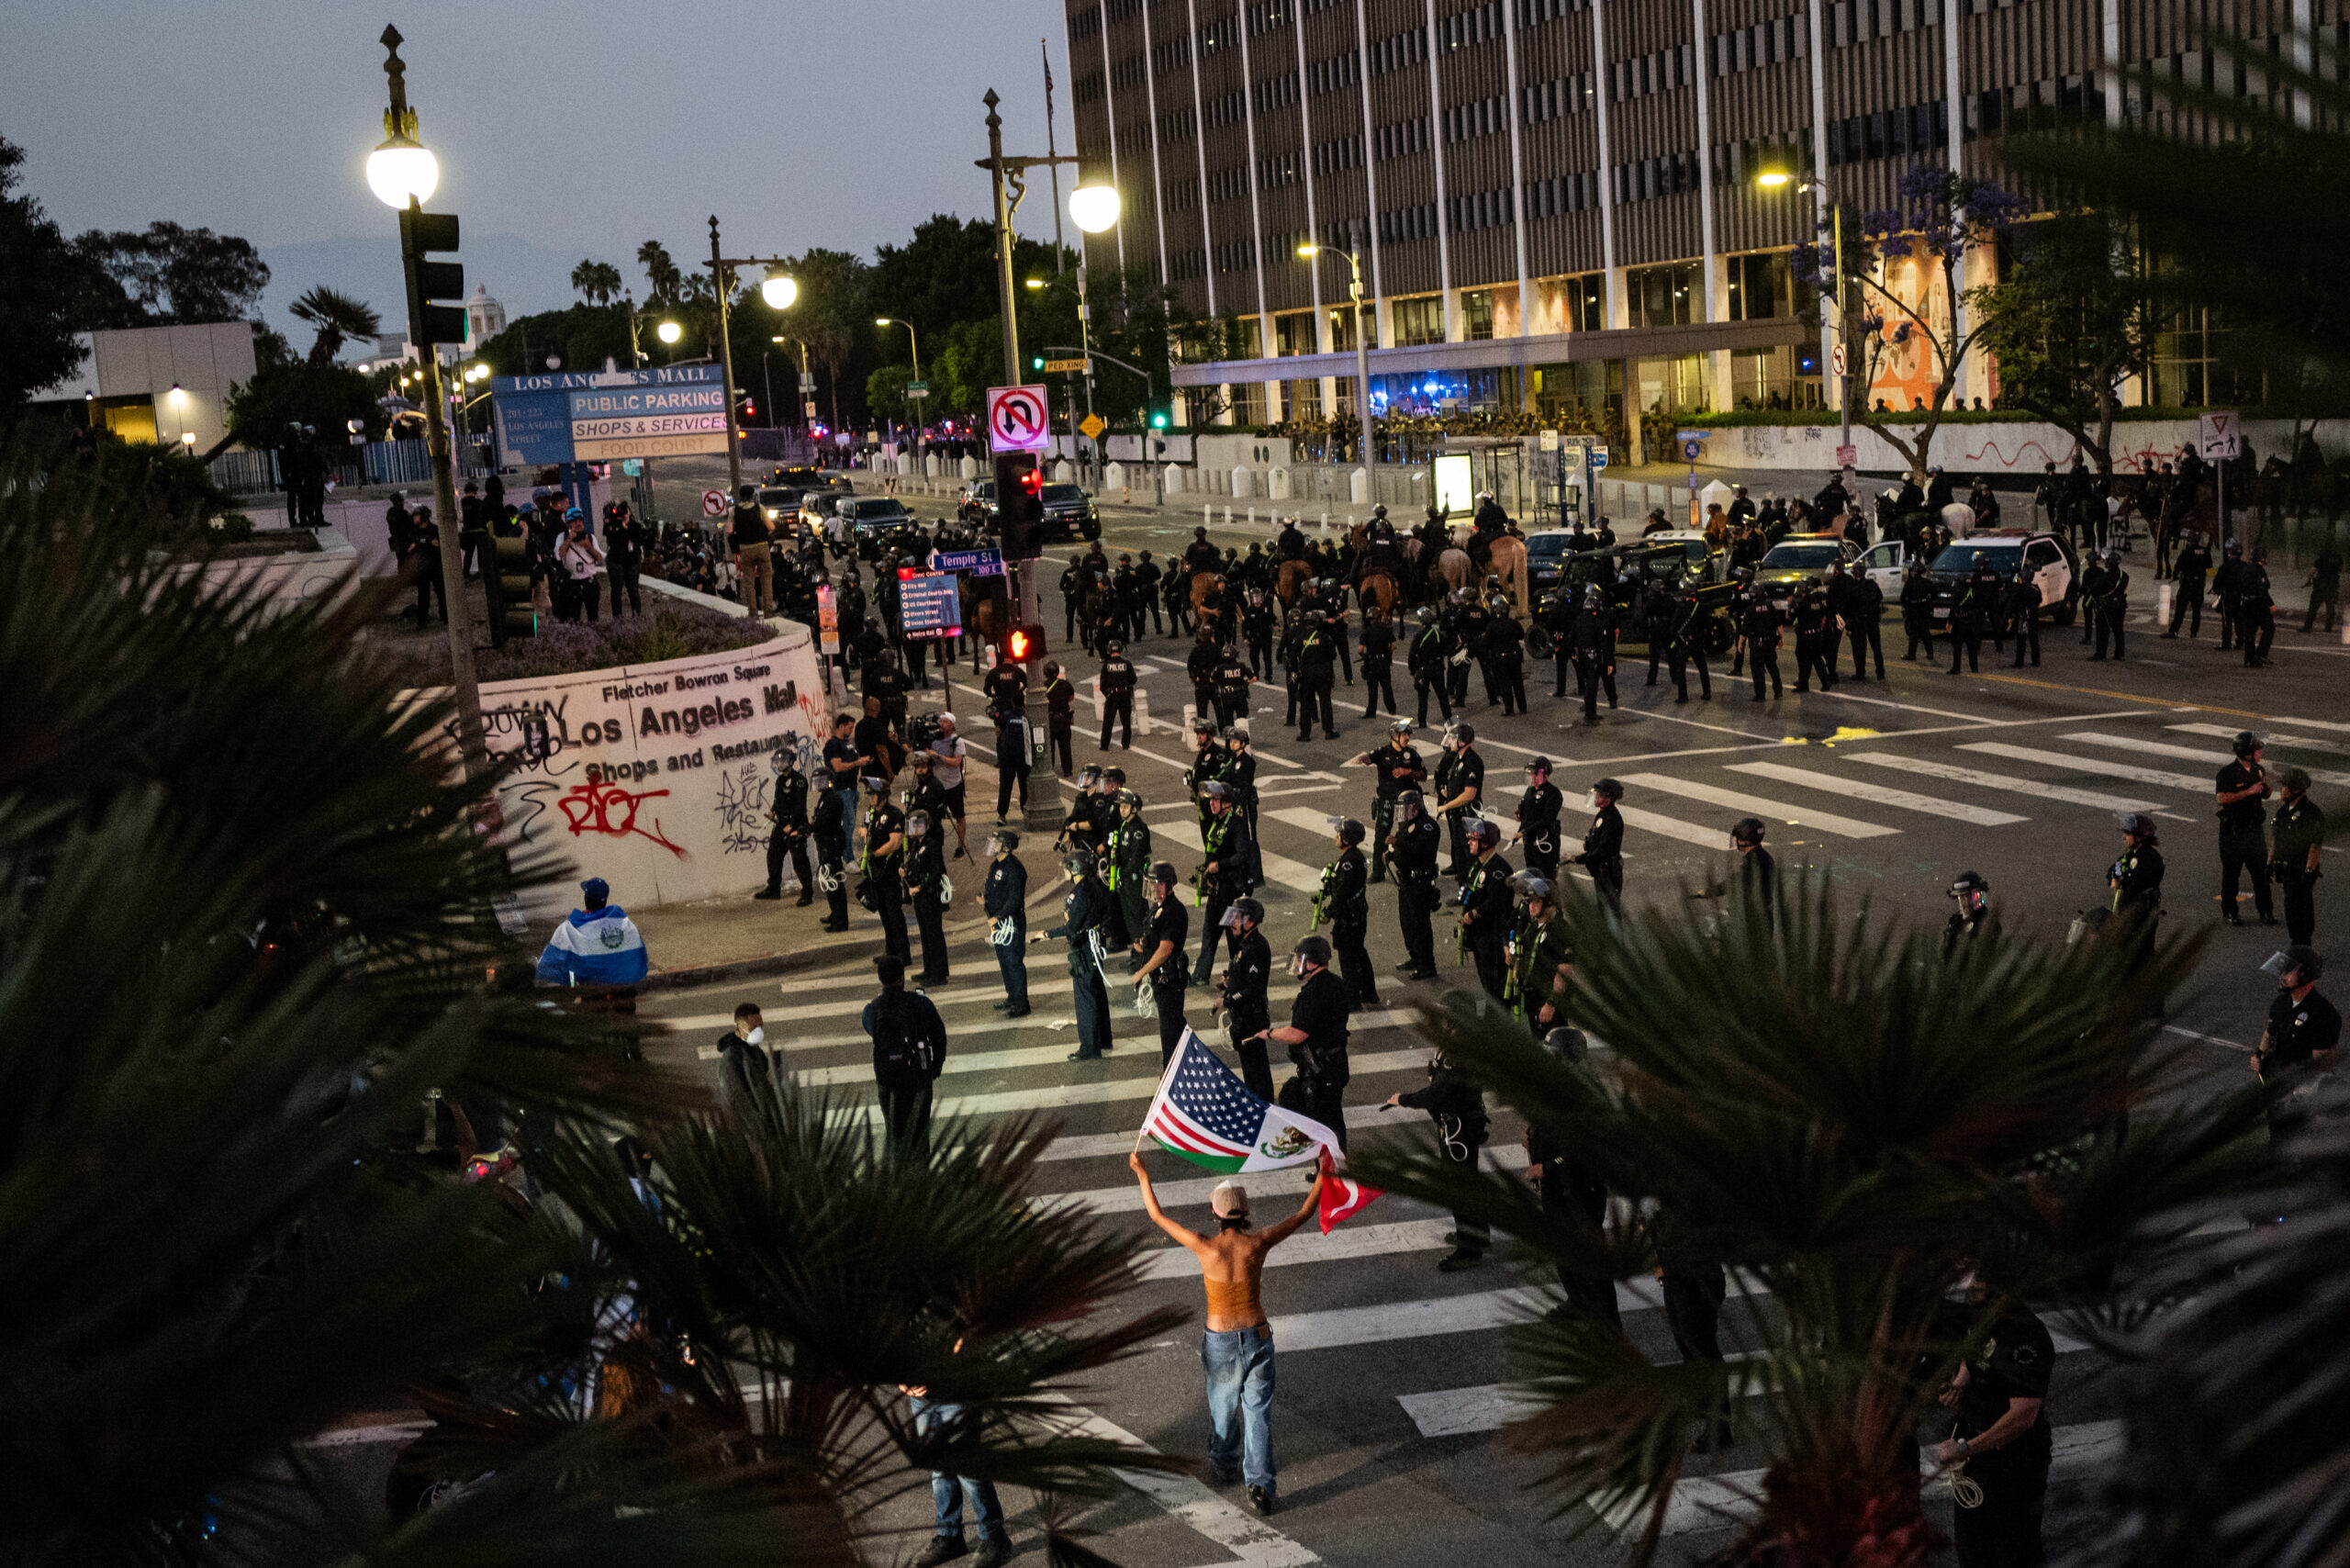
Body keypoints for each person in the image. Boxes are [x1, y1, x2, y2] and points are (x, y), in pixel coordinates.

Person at [1127, 1153, 1324, 1518]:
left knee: (1222, 1409)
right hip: (1258, 1336)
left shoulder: (1205, 1246)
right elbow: (1302, 1215)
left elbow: (1157, 1216)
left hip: (1220, 1341)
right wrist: (1323, 1174)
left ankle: (1223, 1463)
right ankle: (1261, 1484)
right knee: (1258, 1413)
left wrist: (1142, 1173)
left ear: (1215, 1214)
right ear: (1246, 1212)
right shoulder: (1258, 1244)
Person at [1933, 1280, 2056, 1568]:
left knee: (2014, 1553)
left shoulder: (2026, 1336)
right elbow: (1975, 1354)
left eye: (1979, 1279)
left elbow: (2023, 1416)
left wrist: (1965, 1448)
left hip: (2013, 1462)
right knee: (1974, 1553)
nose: (1971, 1284)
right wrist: (1960, 1383)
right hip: (1976, 1455)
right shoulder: (1983, 1319)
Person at [1524, 1027, 1621, 1330]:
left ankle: (1607, 1326)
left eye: (1554, 1055)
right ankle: (1578, 1302)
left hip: (1581, 1189)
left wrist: (1548, 1166)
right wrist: (1532, 1136)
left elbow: (1583, 1148)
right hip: (1557, 1188)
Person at [1385, 1050, 1491, 1271]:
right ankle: (1476, 1235)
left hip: (1459, 1129)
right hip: (1459, 1125)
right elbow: (1435, 1067)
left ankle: (1469, 1249)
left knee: (1460, 1189)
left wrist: (1404, 1099)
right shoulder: (1452, 1046)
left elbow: (1436, 1094)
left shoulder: (1457, 1055)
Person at [1259, 935, 1352, 1149]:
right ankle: (1332, 1170)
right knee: (1333, 1118)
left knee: (1323, 1124)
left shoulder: (1312, 994)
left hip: (1322, 1069)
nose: (1295, 964)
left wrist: (1271, 1033)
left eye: (1299, 959)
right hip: (1336, 1063)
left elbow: (1297, 1034)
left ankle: (1331, 1173)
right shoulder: (1335, 983)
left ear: (1311, 962)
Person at [903, 1390, 1014, 1568]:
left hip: (957, 1393)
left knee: (968, 1471)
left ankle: (995, 1536)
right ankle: (950, 1536)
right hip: (920, 1399)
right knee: (939, 1469)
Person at [2251, 945, 2340, 1142]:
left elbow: (2321, 1063)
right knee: (2278, 1134)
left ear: (2306, 976)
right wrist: (2259, 1054)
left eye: (2288, 971)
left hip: (2299, 1091)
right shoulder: (2281, 1003)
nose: (2282, 975)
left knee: (2300, 1139)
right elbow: (2269, 1031)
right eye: (2282, 970)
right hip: (2276, 1084)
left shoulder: (2323, 1014)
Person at [864, 954, 947, 1154]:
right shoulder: (921, 1004)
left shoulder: (871, 1009)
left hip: (888, 1080)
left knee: (895, 1135)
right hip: (918, 1078)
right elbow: (939, 1037)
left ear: (881, 979)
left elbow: (871, 1031)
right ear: (901, 979)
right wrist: (936, 1067)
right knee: (920, 1136)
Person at [1039, 848, 1114, 1061]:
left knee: (1086, 999)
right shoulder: (1097, 885)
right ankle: (1103, 1039)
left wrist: (1047, 934)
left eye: (1067, 867)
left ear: (1075, 868)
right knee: (1097, 994)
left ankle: (1090, 1047)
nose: (1064, 871)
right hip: (1096, 944)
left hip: (1085, 949)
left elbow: (1072, 926)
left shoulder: (1080, 892)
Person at [1212, 897, 1278, 1099]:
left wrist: (1227, 1000)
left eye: (1237, 917)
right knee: (1250, 1071)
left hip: (1252, 1020)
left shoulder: (1255, 947)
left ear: (1250, 921)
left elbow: (1253, 989)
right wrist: (1229, 983)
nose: (1232, 922)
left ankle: (1264, 1108)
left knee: (1257, 1073)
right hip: (1244, 1019)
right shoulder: (1245, 944)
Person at [534, 877, 649, 989]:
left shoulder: (572, 926)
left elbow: (554, 957)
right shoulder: (622, 922)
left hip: (591, 987)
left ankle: (574, 990)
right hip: (622, 984)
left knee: (571, 970)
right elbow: (638, 949)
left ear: (586, 898)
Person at [1351, 718, 1427, 884]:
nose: (1407, 737)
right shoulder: (1383, 752)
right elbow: (1367, 758)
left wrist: (1408, 772)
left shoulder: (1412, 755)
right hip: (1386, 799)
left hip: (1405, 801)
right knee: (1380, 836)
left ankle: (1405, 870)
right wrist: (1363, 758)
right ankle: (1378, 871)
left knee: (1405, 836)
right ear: (1395, 735)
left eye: (1408, 734)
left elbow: (1423, 775)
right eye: (1404, 734)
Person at [1132, 862, 1192, 1062]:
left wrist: (1141, 973)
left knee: (1171, 1036)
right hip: (1160, 980)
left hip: (1170, 980)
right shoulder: (1157, 908)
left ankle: (1171, 1083)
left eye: (1159, 884)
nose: (1153, 889)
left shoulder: (1173, 911)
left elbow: (1165, 950)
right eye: (1151, 884)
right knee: (1171, 1030)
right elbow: (1155, 941)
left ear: (1170, 884)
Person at [2216, 731, 2276, 927]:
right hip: (2233, 832)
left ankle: (2266, 911)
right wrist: (2247, 792)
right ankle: (2230, 912)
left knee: (2260, 875)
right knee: (2231, 875)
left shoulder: (2259, 770)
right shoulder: (2227, 773)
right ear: (2245, 752)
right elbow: (2222, 798)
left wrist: (2266, 788)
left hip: (2254, 831)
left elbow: (2265, 795)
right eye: (2255, 750)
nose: (2259, 753)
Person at [1315, 819, 1378, 1009]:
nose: (1337, 837)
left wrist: (1328, 913)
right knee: (1358, 953)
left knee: (1348, 958)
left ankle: (1353, 999)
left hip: (1349, 918)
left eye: (1340, 834)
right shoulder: (1351, 857)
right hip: (1354, 916)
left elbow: (1342, 893)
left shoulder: (1350, 862)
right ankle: (1369, 993)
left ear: (1348, 838)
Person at [1505, 870, 1574, 1034]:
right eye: (1530, 901)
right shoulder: (1534, 926)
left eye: (1536, 902)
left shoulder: (1560, 930)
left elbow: (1565, 971)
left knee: (1555, 1046)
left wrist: (1551, 1003)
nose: (1531, 906)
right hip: (1533, 1001)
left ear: (1549, 902)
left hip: (1548, 1006)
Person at [1457, 820, 1514, 1002]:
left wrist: (1472, 914)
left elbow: (1495, 902)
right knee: (1485, 981)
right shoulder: (1477, 866)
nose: (1469, 843)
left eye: (1473, 840)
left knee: (1495, 981)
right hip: (1478, 933)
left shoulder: (1499, 870)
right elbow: (1469, 891)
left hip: (1492, 934)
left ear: (1486, 843)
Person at [977, 827, 1030, 1017]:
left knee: (1013, 962)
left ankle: (1021, 1003)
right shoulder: (996, 865)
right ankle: (1012, 996)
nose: (993, 846)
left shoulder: (1014, 869)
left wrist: (998, 916)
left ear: (1006, 847)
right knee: (1004, 962)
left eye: (997, 843)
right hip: (998, 923)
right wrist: (986, 900)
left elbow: (1015, 900)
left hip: (1011, 923)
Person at [1390, 790, 1442, 982]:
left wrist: (1398, 843)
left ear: (1415, 807)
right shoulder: (1406, 825)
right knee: (1407, 923)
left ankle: (1427, 965)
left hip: (1419, 882)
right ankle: (1415, 957)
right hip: (1405, 881)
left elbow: (1420, 851)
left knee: (1420, 924)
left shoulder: (1427, 827)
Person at [2270, 767, 2326, 946]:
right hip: (2285, 870)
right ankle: (2296, 942)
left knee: (2301, 910)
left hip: (2300, 870)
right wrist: (2269, 863)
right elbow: (2275, 840)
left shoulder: (2311, 814)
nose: (2281, 790)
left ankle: (2303, 946)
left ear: (2295, 790)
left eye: (2285, 787)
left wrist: (2309, 871)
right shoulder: (2283, 812)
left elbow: (2315, 845)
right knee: (2290, 909)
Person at [861, 776, 911, 962]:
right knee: (883, 913)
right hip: (876, 873)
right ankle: (891, 951)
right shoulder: (871, 813)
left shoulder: (894, 814)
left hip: (889, 872)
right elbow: (863, 829)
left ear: (883, 795)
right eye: (869, 794)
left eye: (873, 794)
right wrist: (864, 832)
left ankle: (903, 954)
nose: (869, 797)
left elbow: (895, 842)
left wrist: (875, 854)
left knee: (894, 913)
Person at [755, 747, 812, 904]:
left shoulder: (799, 781)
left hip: (795, 825)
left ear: (792, 762)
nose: (780, 764)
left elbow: (799, 806)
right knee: (773, 855)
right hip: (781, 825)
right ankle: (773, 889)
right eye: (778, 761)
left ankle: (807, 893)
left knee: (799, 860)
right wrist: (773, 811)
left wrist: (792, 825)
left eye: (784, 760)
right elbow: (778, 799)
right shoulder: (780, 780)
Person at [904, 809, 950, 985]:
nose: (915, 828)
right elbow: (915, 868)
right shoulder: (916, 845)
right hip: (920, 897)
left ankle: (939, 973)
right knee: (924, 933)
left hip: (930, 895)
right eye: (913, 825)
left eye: (919, 825)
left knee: (934, 934)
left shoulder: (932, 845)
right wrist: (906, 872)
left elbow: (937, 872)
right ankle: (929, 968)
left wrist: (921, 887)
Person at [1434, 722, 1484, 880]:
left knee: (1469, 857)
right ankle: (1464, 893)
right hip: (1458, 816)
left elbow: (1469, 794)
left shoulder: (1471, 761)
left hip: (1468, 817)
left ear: (1462, 741)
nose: (1450, 742)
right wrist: (1447, 792)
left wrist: (1446, 806)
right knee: (1461, 856)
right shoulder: (1458, 758)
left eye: (1454, 738)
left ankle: (1471, 896)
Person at [1566, 778, 1627, 911]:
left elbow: (1603, 850)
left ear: (1608, 798)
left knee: (1610, 913)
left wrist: (1579, 859)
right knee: (1604, 910)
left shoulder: (1611, 818)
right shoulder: (1603, 814)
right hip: (1602, 871)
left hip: (1608, 872)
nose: (1596, 797)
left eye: (1599, 794)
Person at [983, 658, 1030, 820]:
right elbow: (1028, 682)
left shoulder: (1004, 717)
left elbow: (986, 690)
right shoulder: (1026, 718)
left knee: (1005, 786)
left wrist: (996, 696)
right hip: (1024, 758)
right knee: (1025, 786)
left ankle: (1002, 814)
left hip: (1007, 757)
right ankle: (1026, 811)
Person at [713, 1002, 770, 1129]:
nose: (759, 1030)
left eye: (760, 1025)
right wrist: (759, 1127)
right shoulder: (732, 1059)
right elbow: (735, 1098)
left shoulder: (752, 1049)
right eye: (753, 1026)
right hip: (752, 1128)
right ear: (739, 1026)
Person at [1513, 757, 1564, 883]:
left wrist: (1524, 832)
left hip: (1545, 843)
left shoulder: (1553, 794)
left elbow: (1547, 819)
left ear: (1545, 774)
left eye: (1536, 774)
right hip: (1530, 843)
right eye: (1531, 774)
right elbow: (1525, 816)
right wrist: (1520, 831)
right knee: (1532, 876)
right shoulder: (1529, 791)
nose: (1533, 777)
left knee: (1546, 878)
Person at [731, 483, 776, 614]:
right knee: (766, 579)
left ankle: (753, 611)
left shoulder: (734, 510)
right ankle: (768, 611)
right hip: (761, 546)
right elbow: (771, 527)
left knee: (749, 582)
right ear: (752, 496)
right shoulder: (759, 508)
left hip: (745, 548)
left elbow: (729, 530)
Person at [811, 787, 851, 932]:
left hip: (831, 846)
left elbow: (824, 822)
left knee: (834, 883)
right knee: (829, 881)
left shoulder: (833, 799)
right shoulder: (825, 798)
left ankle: (840, 920)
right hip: (825, 845)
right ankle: (835, 914)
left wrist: (811, 827)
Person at [1407, 608, 1456, 724]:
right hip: (1437, 668)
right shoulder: (1439, 635)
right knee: (1442, 695)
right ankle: (1448, 718)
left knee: (1423, 697)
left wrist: (1413, 669)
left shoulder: (1419, 636)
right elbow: (1447, 651)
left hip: (1423, 669)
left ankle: (1422, 721)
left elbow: (1411, 654)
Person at [2165, 532, 2212, 639]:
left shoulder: (2186, 552)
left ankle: (2174, 630)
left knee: (2180, 609)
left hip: (2187, 584)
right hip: (2199, 584)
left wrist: (2174, 576)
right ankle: (2194, 633)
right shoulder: (2205, 552)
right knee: (2196, 611)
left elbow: (2178, 566)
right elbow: (2209, 565)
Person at [605, 500, 645, 617]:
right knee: (616, 591)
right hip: (616, 561)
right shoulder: (614, 526)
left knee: (633, 590)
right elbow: (610, 541)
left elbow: (639, 539)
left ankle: (636, 615)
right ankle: (617, 617)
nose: (624, 514)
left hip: (632, 561)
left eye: (625, 511)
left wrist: (626, 528)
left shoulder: (636, 526)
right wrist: (616, 526)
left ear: (629, 513)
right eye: (621, 512)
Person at [1944, 869, 1991, 962]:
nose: (1966, 902)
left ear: (1980, 895)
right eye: (1961, 897)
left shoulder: (1988, 923)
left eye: (1970, 896)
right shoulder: (1954, 923)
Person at [1098, 639, 1137, 750]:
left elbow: (1102, 685)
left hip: (1112, 695)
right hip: (1125, 695)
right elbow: (1133, 679)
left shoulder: (1106, 665)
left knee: (1108, 722)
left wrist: (1108, 694)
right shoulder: (1127, 664)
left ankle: (1104, 745)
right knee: (1126, 722)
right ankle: (1125, 744)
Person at [1042, 659, 1076, 777]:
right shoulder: (1065, 684)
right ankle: (1067, 770)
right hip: (1064, 719)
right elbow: (1071, 697)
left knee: (1050, 748)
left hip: (1049, 721)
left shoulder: (1042, 687)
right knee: (1065, 747)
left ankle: (1050, 770)